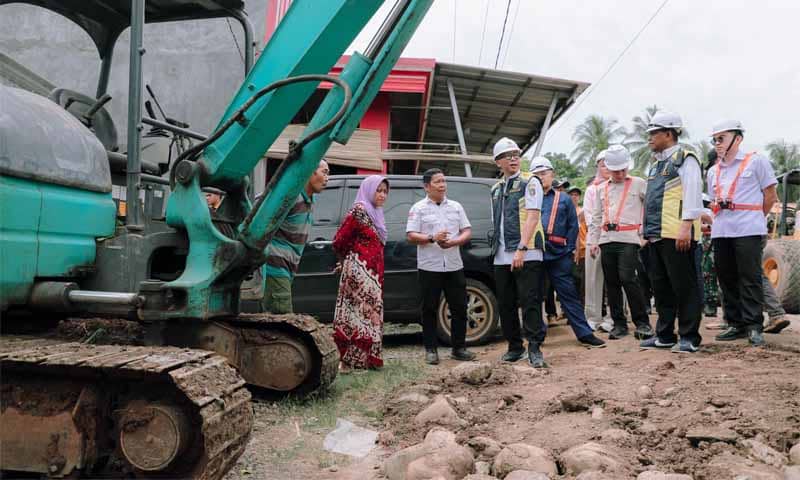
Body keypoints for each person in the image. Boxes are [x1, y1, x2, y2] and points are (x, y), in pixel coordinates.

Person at [707, 120, 778, 347]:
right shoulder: (712, 171)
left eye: (722, 138)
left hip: (748, 228)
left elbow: (770, 195)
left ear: (737, 139)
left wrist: (757, 217)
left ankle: (754, 326)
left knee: (750, 278)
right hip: (721, 230)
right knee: (727, 278)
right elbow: (714, 202)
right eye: (715, 139)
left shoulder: (756, 162)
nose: (717, 144)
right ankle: (735, 323)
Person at [639, 111, 704, 353]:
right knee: (662, 287)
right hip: (657, 235)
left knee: (685, 286)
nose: (649, 138)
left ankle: (689, 336)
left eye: (653, 133)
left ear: (669, 133)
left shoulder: (684, 158)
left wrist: (686, 226)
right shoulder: (656, 165)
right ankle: (664, 334)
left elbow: (692, 193)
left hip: (677, 234)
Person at [530, 156, 606, 348]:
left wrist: (570, 250)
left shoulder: (563, 198)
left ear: (552, 174)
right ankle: (536, 336)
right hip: (535, 254)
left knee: (569, 294)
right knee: (534, 296)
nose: (541, 177)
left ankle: (584, 333)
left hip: (559, 255)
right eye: (536, 174)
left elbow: (573, 226)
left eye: (544, 173)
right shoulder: (529, 197)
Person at [406, 168, 477, 365]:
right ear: (427, 186)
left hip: (454, 265)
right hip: (429, 266)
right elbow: (411, 235)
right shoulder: (418, 208)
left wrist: (455, 242)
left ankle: (459, 348)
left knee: (460, 307)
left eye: (444, 181)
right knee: (429, 308)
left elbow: (467, 231)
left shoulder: (455, 206)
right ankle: (431, 350)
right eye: (438, 181)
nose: (442, 185)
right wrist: (432, 238)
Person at [490, 137, 547, 368]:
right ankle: (515, 347)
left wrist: (522, 248)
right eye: (507, 155)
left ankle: (534, 347)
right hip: (501, 254)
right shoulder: (495, 189)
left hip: (528, 251)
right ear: (498, 162)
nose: (513, 158)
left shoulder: (530, 182)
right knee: (505, 302)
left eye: (516, 154)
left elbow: (533, 216)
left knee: (530, 300)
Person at [587, 145, 653, 340]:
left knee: (627, 278)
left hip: (629, 239)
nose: (620, 174)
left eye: (623, 170)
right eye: (616, 171)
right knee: (612, 283)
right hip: (607, 239)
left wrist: (645, 235)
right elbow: (596, 217)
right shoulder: (601, 189)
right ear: (608, 168)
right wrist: (593, 241)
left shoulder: (639, 184)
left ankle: (642, 322)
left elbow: (651, 208)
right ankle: (619, 324)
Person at [332, 175, 389, 371]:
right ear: (368, 190)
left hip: (374, 275)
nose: (382, 195)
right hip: (358, 273)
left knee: (370, 316)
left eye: (384, 191)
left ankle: (367, 360)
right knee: (354, 315)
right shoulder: (359, 211)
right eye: (378, 190)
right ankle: (348, 361)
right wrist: (347, 261)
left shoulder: (377, 213)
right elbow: (339, 240)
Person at [262, 159, 329, 313]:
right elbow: (262, 207)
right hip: (275, 266)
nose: (327, 178)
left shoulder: (310, 199)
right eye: (324, 172)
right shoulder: (291, 196)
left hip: (288, 268)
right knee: (282, 321)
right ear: (310, 170)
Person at [584, 150, 613, 332]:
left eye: (609, 164)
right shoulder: (591, 189)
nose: (606, 168)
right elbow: (589, 216)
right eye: (603, 165)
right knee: (593, 279)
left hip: (615, 238)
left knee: (615, 280)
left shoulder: (621, 186)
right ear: (598, 167)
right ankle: (593, 317)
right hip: (595, 238)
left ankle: (614, 317)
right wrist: (596, 237)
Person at [568, 186, 587, 299]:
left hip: (583, 250)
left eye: (576, 195)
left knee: (582, 280)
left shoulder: (584, 212)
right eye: (571, 194)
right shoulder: (565, 211)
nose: (574, 197)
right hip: (569, 250)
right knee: (571, 279)